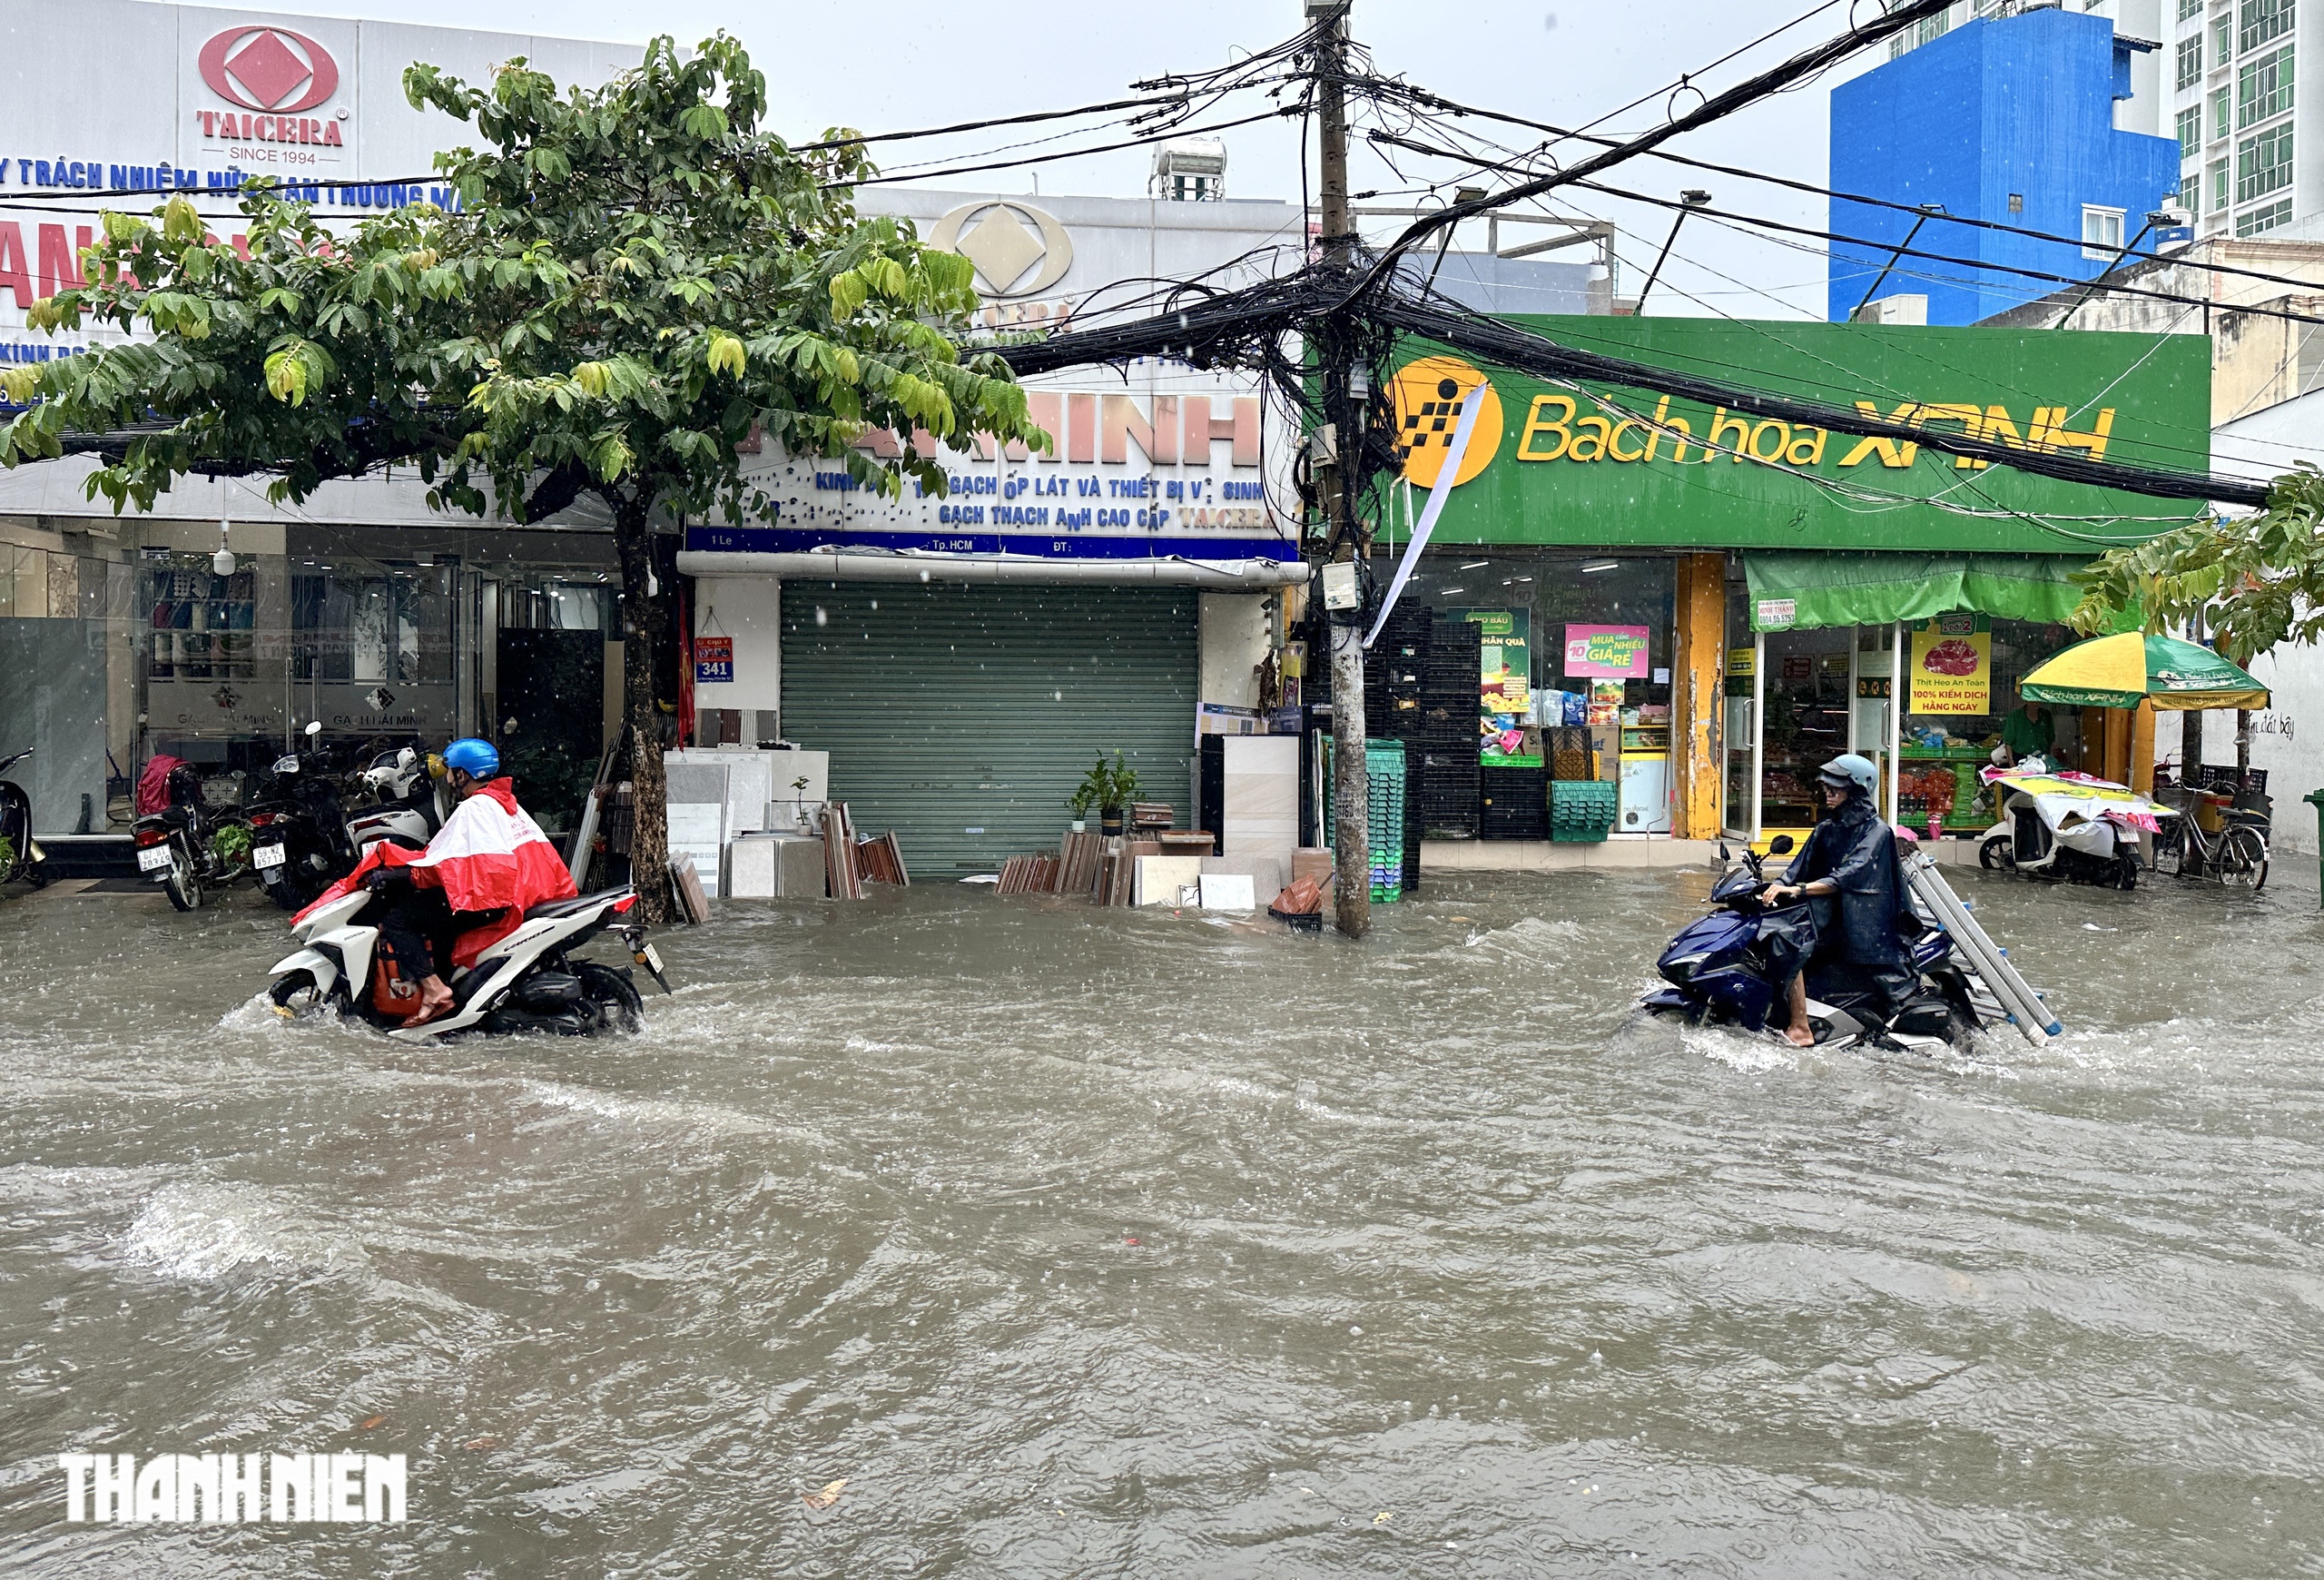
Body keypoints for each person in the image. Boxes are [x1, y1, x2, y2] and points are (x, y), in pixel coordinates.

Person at [300, 737, 576, 1025]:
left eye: (451, 771)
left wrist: (395, 875)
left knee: (398, 920)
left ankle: (435, 991)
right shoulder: (506, 804)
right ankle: (451, 994)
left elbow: (445, 868)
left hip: (489, 900)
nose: (448, 778)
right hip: (512, 897)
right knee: (436, 919)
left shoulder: (473, 809)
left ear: (463, 774)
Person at [1759, 753, 1915, 1048]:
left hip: (1862, 925)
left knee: (1789, 940)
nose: (1827, 793)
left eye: (1836, 788)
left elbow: (1849, 874)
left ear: (1856, 790)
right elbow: (1796, 869)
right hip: (1832, 916)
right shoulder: (1826, 829)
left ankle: (1800, 1027)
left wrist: (1799, 891)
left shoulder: (1877, 832)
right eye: (1826, 787)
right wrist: (1775, 886)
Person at [2000, 695, 2053, 765]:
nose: (2036, 704)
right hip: (2020, 758)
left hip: (2042, 759)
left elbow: (2051, 739)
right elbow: (2008, 742)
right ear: (2026, 700)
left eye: (2038, 700)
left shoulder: (2046, 715)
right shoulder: (2015, 716)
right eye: (2033, 701)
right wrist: (2011, 762)